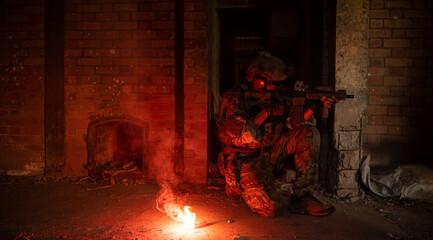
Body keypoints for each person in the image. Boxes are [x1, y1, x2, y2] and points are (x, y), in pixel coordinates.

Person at [216, 52, 337, 217]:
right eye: (274, 83)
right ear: (259, 80)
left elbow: (293, 123)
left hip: (269, 153)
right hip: (245, 159)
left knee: (308, 133)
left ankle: (302, 198)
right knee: (272, 208)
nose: (278, 87)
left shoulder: (277, 94)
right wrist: (267, 112)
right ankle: (238, 186)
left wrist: (313, 107)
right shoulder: (235, 98)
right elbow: (241, 136)